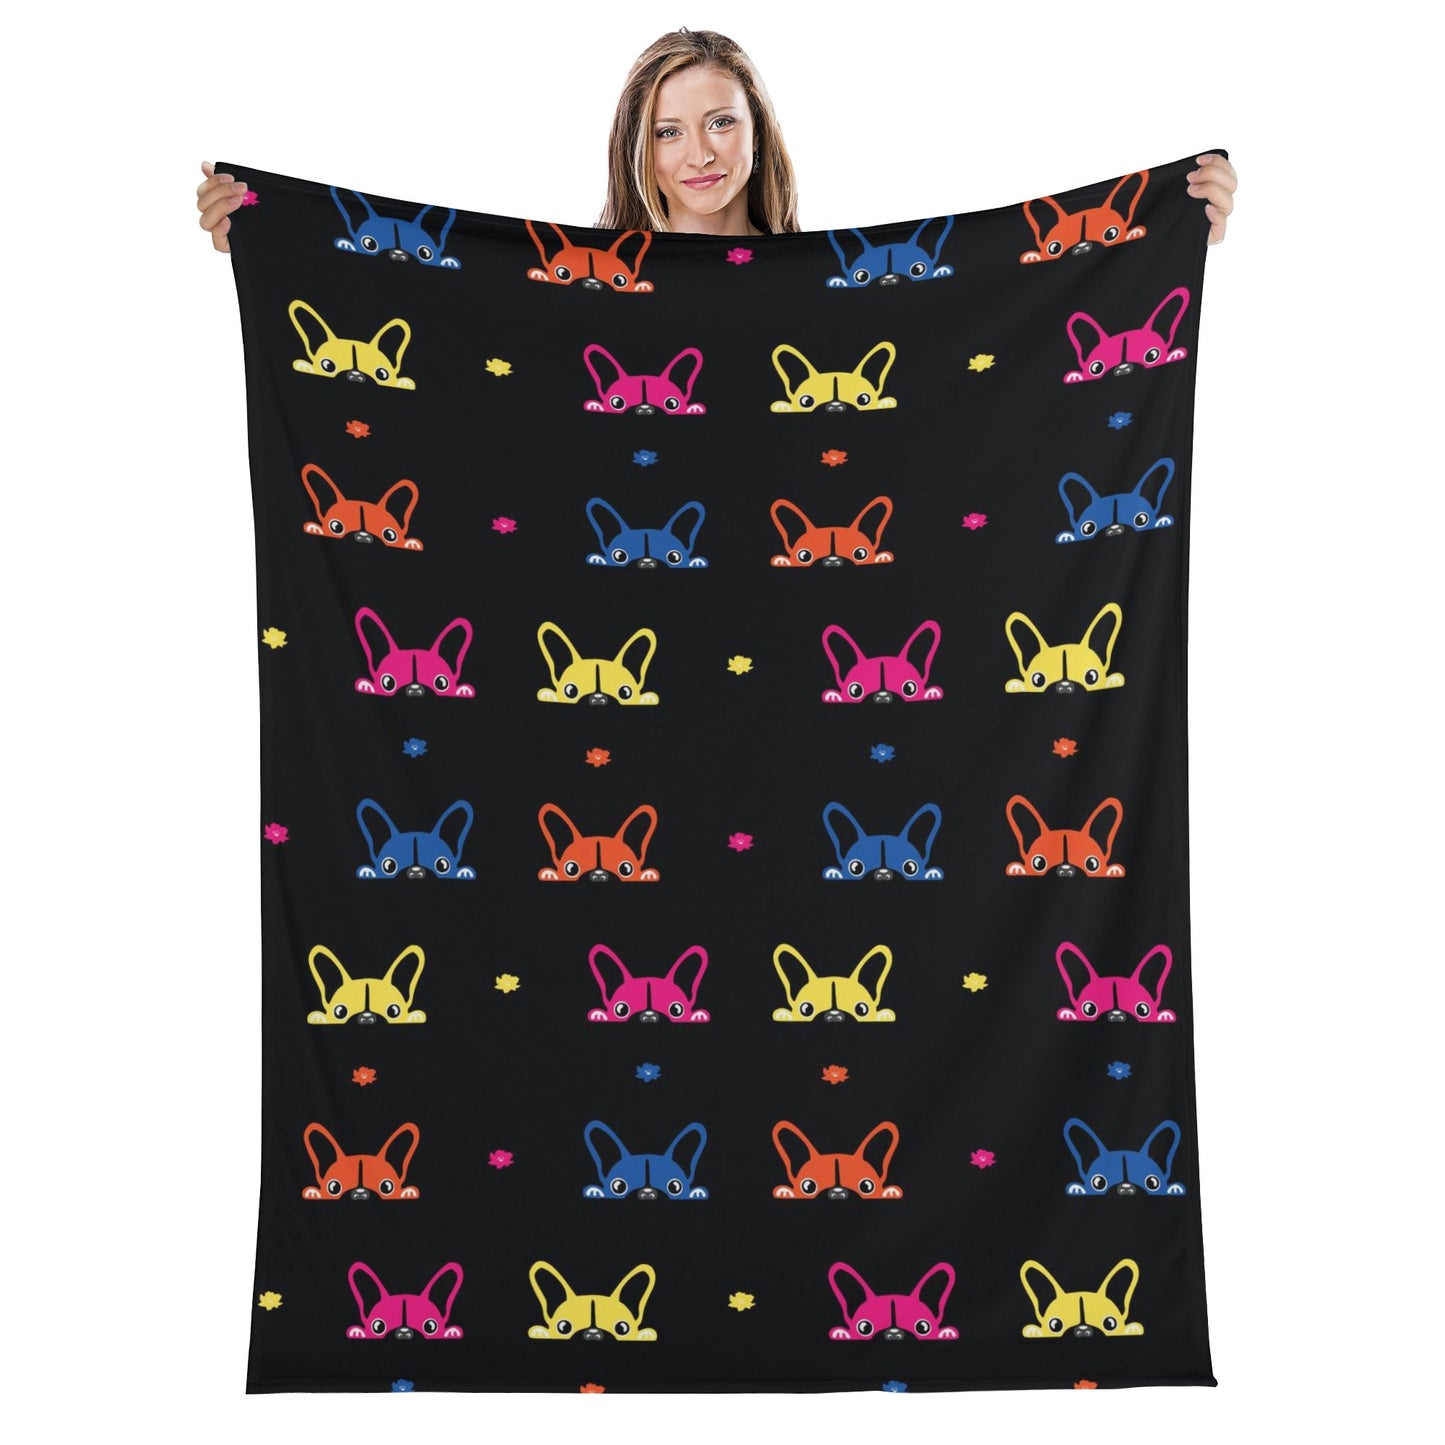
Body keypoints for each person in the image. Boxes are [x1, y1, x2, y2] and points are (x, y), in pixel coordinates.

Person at [196, 28, 1236, 248]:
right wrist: (273, 241)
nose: (698, 152)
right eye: (668, 131)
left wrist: (1166, 234)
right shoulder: (574, 293)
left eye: (720, 121)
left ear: (756, 135)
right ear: (636, 151)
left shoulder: (830, 294)